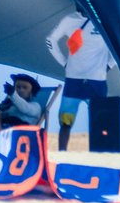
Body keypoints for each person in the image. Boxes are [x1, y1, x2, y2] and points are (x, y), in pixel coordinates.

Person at [46, 8, 112, 152]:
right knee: (68, 123)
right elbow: (50, 39)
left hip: (86, 80)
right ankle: (63, 155)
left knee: (96, 122)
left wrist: (109, 65)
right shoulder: (71, 19)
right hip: (84, 80)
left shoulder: (105, 20)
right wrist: (64, 63)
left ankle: (98, 156)